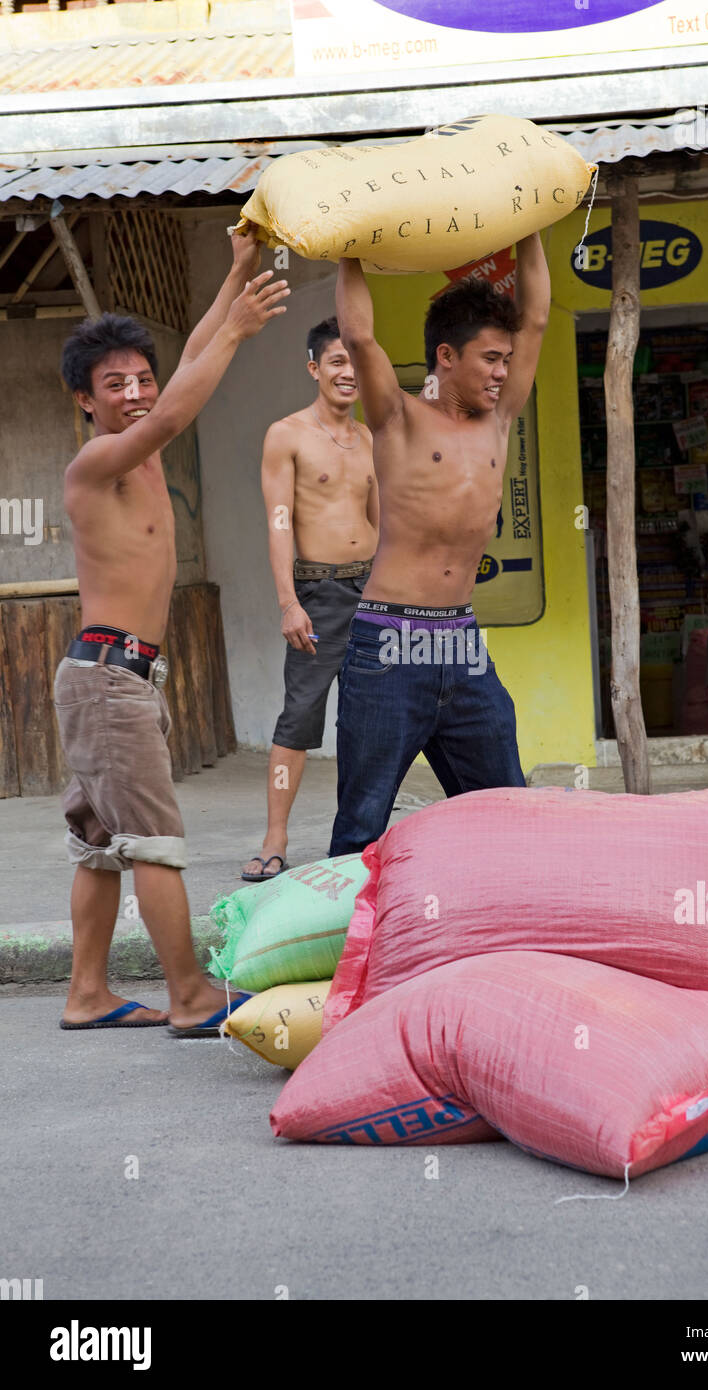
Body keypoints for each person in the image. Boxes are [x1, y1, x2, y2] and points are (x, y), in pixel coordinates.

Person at [55, 232, 289, 1035]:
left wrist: (233, 274)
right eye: (113, 384)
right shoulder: (100, 464)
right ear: (85, 402)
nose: (134, 392)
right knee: (153, 842)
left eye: (141, 378)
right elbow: (183, 399)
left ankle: (87, 993)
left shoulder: (143, 444)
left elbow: (186, 364)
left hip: (115, 679)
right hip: (108, 681)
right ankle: (190, 996)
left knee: (98, 843)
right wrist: (239, 331)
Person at [329, 234, 550, 856]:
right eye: (490, 359)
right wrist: (348, 250)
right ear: (446, 357)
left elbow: (534, 318)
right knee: (361, 825)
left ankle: (502, 943)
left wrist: (530, 227)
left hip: (461, 641)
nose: (503, 372)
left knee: (508, 810)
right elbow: (361, 337)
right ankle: (350, 952)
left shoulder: (500, 419)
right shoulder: (396, 417)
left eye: (507, 360)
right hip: (388, 643)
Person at [240, 316, 377, 880]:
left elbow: (379, 520)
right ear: (314, 367)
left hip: (373, 591)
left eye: (355, 363)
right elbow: (278, 522)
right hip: (318, 592)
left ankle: (361, 840)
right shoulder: (287, 433)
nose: (348, 373)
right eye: (337, 362)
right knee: (298, 718)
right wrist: (288, 602)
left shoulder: (370, 438)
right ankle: (274, 839)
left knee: (371, 719)